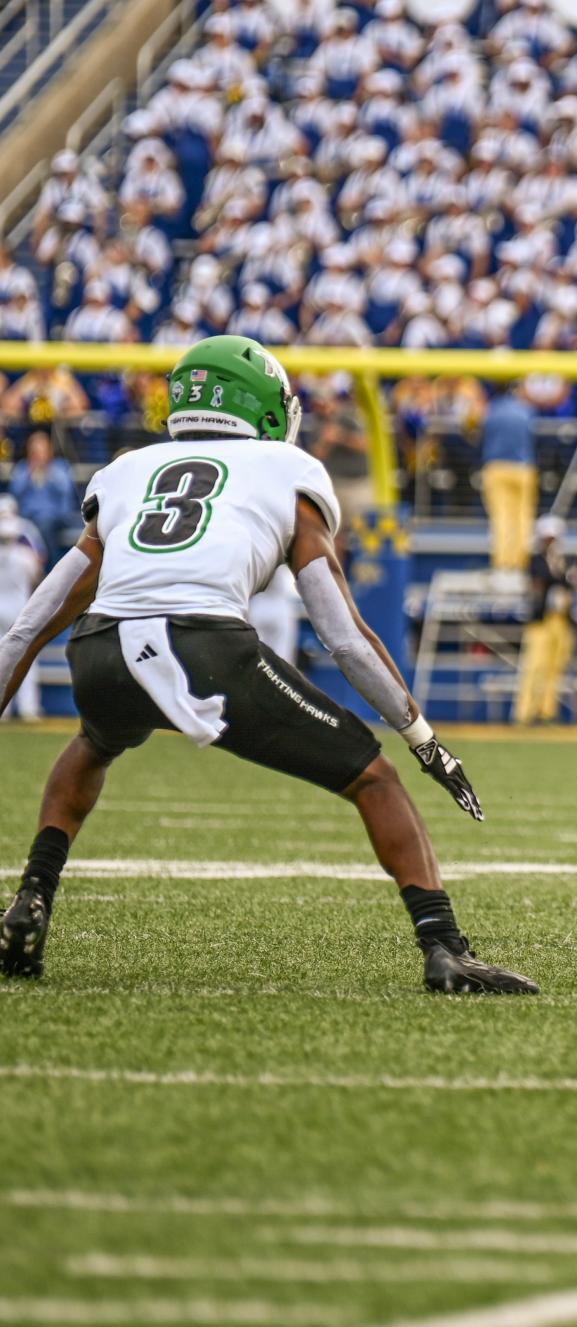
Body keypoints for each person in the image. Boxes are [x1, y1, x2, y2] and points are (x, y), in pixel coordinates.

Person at [0, 335, 533, 993]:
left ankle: (32, 896)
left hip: (102, 650)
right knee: (376, 779)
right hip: (205, 649)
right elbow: (343, 635)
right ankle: (446, 946)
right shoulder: (287, 467)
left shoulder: (126, 470)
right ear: (265, 407)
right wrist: (423, 739)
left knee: (94, 742)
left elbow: (30, 625)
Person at [514, 515, 577, 725]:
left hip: (561, 620)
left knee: (554, 668)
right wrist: (562, 576)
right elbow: (543, 579)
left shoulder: (564, 561)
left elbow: (570, 585)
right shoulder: (537, 560)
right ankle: (525, 712)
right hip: (541, 620)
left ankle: (547, 711)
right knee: (535, 667)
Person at [479, 386, 538, 572]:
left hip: (496, 467)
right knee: (523, 518)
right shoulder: (525, 410)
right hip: (523, 467)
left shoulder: (490, 410)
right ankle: (521, 563)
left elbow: (479, 435)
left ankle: (503, 564)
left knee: (501, 518)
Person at [0, 505, 43, 720]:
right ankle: (29, 708)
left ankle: (4, 709)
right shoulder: (24, 555)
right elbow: (37, 576)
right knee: (25, 659)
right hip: (19, 610)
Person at [9, 432, 79, 560]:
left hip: (56, 517)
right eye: (35, 451)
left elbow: (65, 490)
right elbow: (15, 492)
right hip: (28, 517)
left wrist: (48, 471)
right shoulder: (23, 469)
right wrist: (30, 473)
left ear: (49, 451)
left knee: (44, 525)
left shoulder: (60, 466)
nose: (39, 455)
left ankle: (46, 566)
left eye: (42, 450)